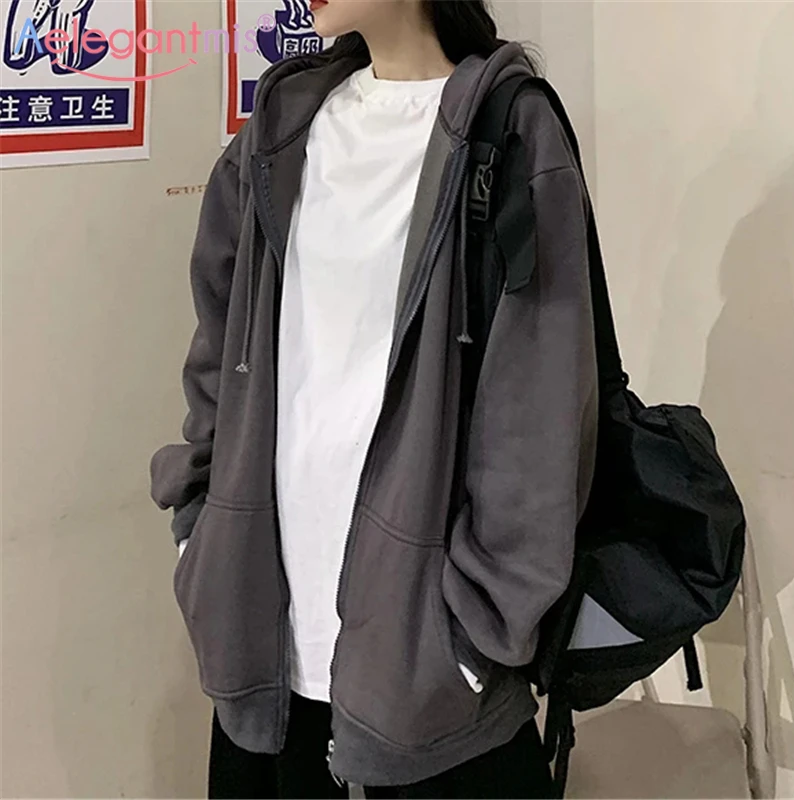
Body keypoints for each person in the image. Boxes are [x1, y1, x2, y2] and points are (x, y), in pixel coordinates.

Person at [150, 0, 598, 797]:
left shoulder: (508, 132)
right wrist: (201, 531)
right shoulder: (281, 128)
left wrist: (476, 636)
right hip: (267, 654)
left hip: (431, 679)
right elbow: (218, 348)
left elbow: (540, 409)